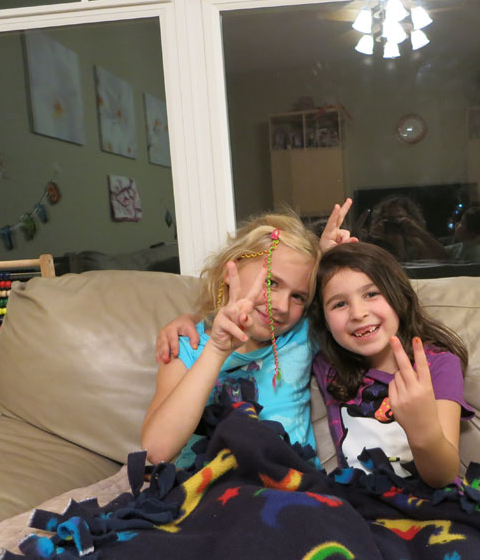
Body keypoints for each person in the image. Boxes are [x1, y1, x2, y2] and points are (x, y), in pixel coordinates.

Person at [143, 200, 355, 466]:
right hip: (207, 484)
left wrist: (326, 260)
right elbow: (155, 451)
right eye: (271, 282)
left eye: (298, 296)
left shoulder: (301, 333)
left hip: (289, 482)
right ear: (229, 271)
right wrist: (216, 350)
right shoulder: (186, 347)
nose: (281, 306)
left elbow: (352, 309)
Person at [309, 242, 473, 487]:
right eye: (339, 304)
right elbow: (285, 312)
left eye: (371, 294)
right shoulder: (327, 364)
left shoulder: (439, 364)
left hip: (430, 501)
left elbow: (444, 476)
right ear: (324, 321)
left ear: (400, 297)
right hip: (358, 502)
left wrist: (423, 429)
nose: (357, 313)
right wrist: (318, 257)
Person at [362, 195, 449, 262]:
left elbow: (443, 258)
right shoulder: (378, 242)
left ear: (411, 218)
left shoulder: (415, 241)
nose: (393, 223)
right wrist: (372, 238)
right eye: (388, 219)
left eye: (399, 217)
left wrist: (419, 232)